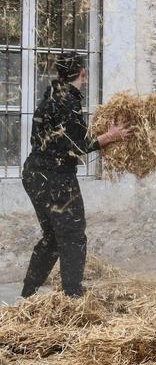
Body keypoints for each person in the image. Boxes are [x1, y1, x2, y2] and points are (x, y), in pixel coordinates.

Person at [21, 54, 129, 298]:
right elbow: (75, 147)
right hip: (55, 177)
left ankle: (28, 293)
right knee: (73, 236)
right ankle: (73, 297)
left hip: (34, 173)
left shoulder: (51, 95)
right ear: (83, 73)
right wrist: (111, 136)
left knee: (52, 238)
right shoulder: (68, 100)